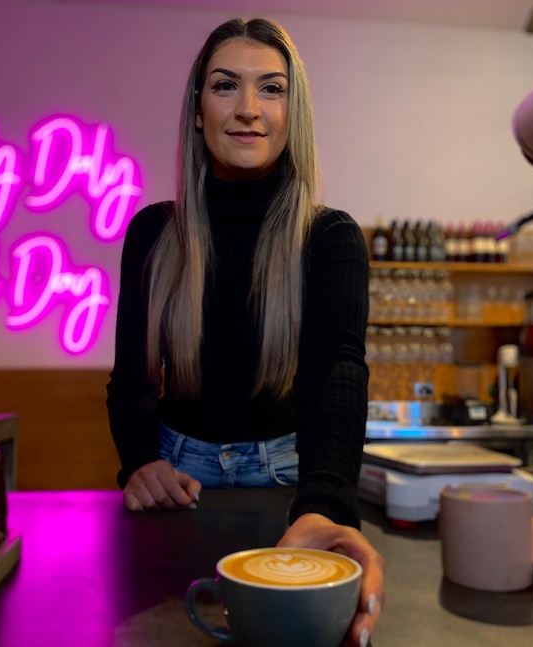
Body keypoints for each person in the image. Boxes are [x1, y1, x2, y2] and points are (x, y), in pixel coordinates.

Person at [107, 17, 385, 647]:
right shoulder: (153, 233)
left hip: (292, 479)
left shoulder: (331, 237)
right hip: (178, 481)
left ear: (294, 113)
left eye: (273, 89)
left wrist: (327, 500)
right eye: (226, 86)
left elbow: (337, 371)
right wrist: (139, 464)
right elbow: (131, 380)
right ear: (197, 110)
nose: (248, 109)